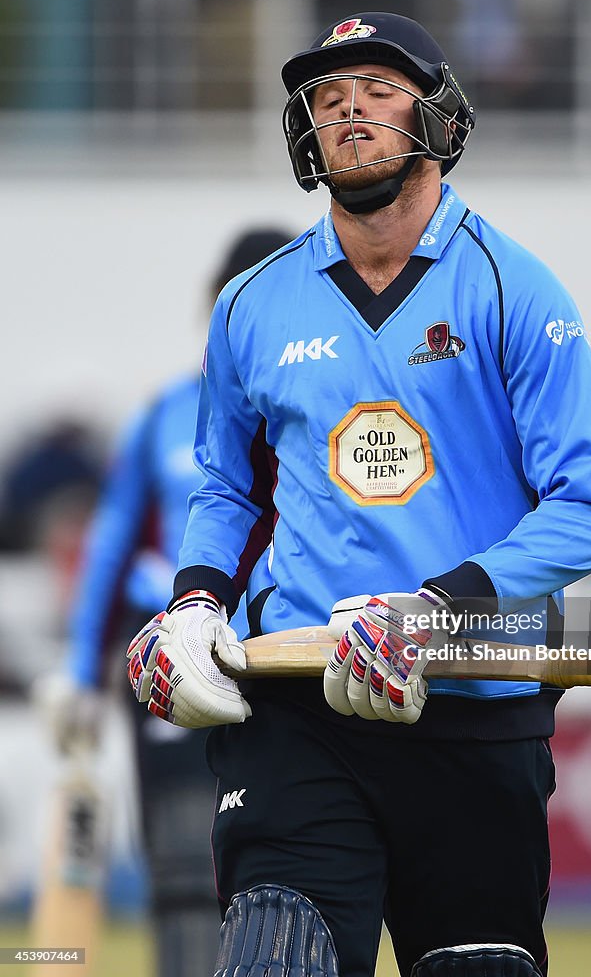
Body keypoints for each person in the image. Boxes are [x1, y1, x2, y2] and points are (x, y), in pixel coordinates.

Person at [126, 12, 591, 977]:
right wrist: (194, 604)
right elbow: (227, 485)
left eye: (379, 88)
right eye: (327, 96)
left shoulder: (514, 289)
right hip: (298, 699)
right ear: (304, 135)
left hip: (474, 698)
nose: (349, 107)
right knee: (275, 957)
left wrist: (434, 609)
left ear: (439, 118)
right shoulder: (251, 304)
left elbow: (590, 505)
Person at [49, 228, 294, 977]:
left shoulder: (322, 415)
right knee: (186, 861)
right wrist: (81, 671)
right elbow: (112, 546)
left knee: (286, 865)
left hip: (284, 658)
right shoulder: (165, 415)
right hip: (173, 652)